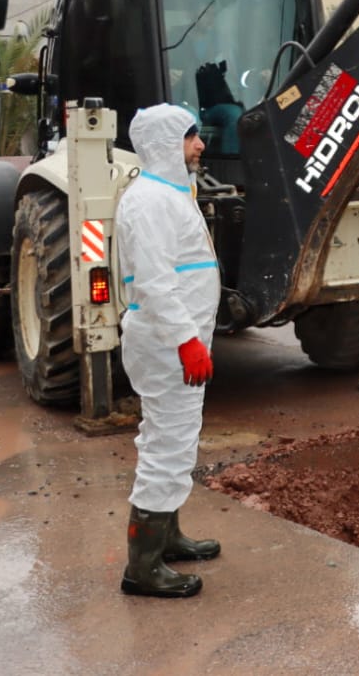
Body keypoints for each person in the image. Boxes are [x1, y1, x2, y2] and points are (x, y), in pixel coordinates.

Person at [116, 104, 220, 598]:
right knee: (166, 446)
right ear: (162, 143)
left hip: (177, 343)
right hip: (167, 345)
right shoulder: (152, 200)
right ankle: (143, 567)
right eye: (190, 136)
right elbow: (155, 284)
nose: (200, 144)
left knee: (176, 440)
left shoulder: (172, 193)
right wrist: (186, 341)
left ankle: (169, 537)